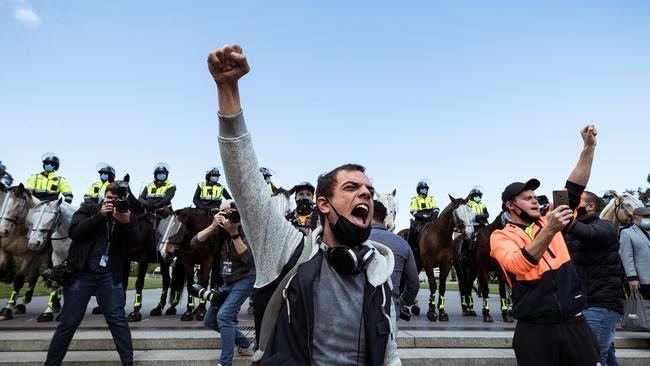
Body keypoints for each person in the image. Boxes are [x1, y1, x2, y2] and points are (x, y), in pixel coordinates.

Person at [208, 44, 399, 365]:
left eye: (369, 189)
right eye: (351, 187)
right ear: (322, 204)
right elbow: (245, 181)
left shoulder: (378, 277)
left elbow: (390, 356)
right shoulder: (288, 252)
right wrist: (228, 88)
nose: (366, 194)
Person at [490, 125, 600, 366]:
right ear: (511, 206)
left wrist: (588, 148)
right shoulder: (500, 236)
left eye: (535, 197)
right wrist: (550, 229)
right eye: (527, 198)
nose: (534, 201)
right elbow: (518, 265)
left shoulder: (548, 218)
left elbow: (575, 185)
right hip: (534, 329)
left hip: (574, 322)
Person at [44, 182, 140, 366]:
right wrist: (99, 215)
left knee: (118, 320)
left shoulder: (128, 217)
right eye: (110, 198)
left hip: (110, 276)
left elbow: (134, 247)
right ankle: (51, 363)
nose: (114, 202)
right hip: (81, 274)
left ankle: (128, 362)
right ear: (104, 197)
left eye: (118, 199)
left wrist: (126, 224)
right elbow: (76, 233)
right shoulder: (88, 209)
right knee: (68, 321)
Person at [191, 200, 255, 366]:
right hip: (227, 281)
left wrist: (234, 233)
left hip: (245, 278)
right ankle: (245, 343)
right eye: (226, 212)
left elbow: (248, 260)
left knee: (224, 316)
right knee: (210, 320)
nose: (230, 216)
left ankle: (225, 363)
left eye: (234, 211)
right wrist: (213, 226)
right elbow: (194, 243)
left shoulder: (247, 229)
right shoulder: (218, 231)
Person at [566, 190, 623, 366]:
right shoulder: (567, 233)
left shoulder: (605, 226)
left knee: (592, 358)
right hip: (579, 305)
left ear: (590, 206)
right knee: (604, 357)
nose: (571, 205)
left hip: (599, 304)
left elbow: (590, 234)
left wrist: (567, 222)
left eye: (576, 202)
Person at [369, 200, 419, 319]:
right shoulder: (403, 243)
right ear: (384, 218)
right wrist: (401, 302)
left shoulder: (355, 240)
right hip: (390, 313)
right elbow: (414, 284)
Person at [458, 186, 489, 276]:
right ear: (472, 196)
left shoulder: (482, 205)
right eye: (476, 195)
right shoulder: (468, 204)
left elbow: (487, 214)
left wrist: (480, 216)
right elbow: (469, 215)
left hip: (483, 225)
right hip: (473, 226)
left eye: (479, 195)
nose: (478, 197)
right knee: (468, 237)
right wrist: (479, 216)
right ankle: (464, 254)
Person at [620, 207, 650, 299]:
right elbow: (627, 257)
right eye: (645, 216)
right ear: (636, 217)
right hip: (644, 279)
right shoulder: (627, 233)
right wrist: (632, 277)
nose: (648, 218)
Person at [407, 179, 439, 248]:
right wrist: (422, 216)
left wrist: (434, 215)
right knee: (413, 228)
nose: (424, 190)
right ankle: (410, 247)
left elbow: (436, 208)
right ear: (418, 190)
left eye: (425, 188)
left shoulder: (431, 198)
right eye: (422, 188)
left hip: (432, 217)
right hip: (420, 219)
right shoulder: (415, 199)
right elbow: (413, 211)